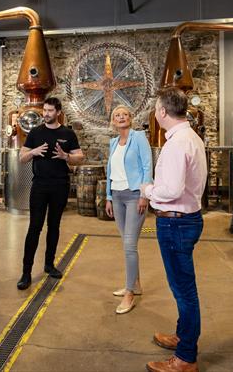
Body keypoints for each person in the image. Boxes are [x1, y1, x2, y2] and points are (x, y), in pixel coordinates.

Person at [140, 88, 207, 372]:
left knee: (184, 291)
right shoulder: (188, 137)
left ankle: (185, 358)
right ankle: (183, 337)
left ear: (163, 112)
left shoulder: (179, 143)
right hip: (183, 219)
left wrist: (147, 189)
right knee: (182, 287)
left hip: (176, 221)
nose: (155, 113)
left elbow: (172, 189)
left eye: (156, 108)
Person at [17, 97, 84, 290]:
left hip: (60, 185)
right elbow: (22, 158)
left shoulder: (68, 133)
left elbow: (79, 157)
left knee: (54, 226)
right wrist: (34, 152)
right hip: (39, 186)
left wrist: (66, 156)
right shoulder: (35, 133)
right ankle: (26, 272)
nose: (46, 114)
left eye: (50, 111)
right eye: (44, 110)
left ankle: (49, 264)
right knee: (34, 228)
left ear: (58, 112)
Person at [104, 105, 153, 315]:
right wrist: (108, 197)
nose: (121, 117)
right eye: (117, 115)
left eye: (124, 114)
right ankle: (136, 283)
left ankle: (129, 293)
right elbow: (110, 172)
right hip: (117, 196)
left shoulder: (139, 137)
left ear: (130, 118)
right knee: (127, 243)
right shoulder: (113, 142)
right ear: (113, 122)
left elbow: (147, 166)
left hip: (134, 196)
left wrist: (144, 194)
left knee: (129, 244)